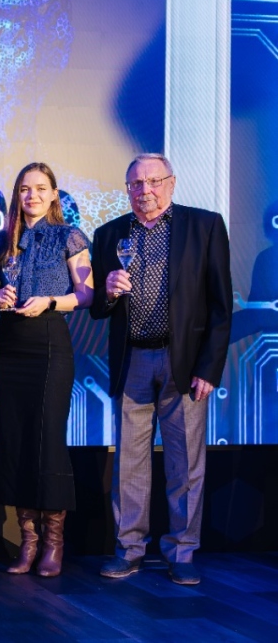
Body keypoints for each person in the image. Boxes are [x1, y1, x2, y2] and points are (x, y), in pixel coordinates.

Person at [91, 154, 231, 585]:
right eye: (135, 183)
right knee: (129, 463)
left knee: (185, 463)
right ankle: (129, 550)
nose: (144, 191)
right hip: (132, 358)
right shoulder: (109, 233)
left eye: (153, 181)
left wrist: (209, 367)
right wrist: (108, 291)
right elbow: (98, 309)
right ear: (127, 188)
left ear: (171, 183)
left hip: (183, 361)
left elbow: (221, 306)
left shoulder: (204, 226)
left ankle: (182, 551)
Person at [0, 162, 94, 577]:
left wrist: (50, 300)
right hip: (9, 343)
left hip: (49, 342)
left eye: (40, 188)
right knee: (14, 440)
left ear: (53, 194)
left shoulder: (69, 236)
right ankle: (27, 541)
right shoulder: (3, 242)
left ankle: (53, 542)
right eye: (24, 189)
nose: (31, 195)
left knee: (47, 439)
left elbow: (86, 294)